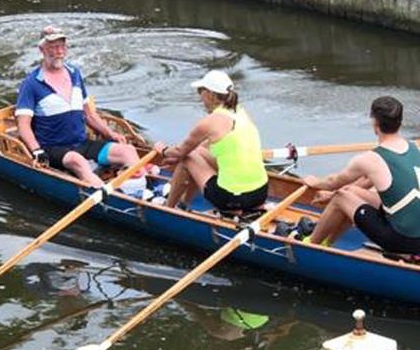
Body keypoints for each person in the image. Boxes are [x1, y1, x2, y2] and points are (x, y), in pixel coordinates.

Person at [301, 96, 420, 256]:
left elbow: (334, 182)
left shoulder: (371, 159)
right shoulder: (416, 147)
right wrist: (331, 195)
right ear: (400, 122)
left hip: (404, 240)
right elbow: (366, 180)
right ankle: (327, 242)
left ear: (375, 123)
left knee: (341, 196)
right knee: (349, 191)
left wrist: (315, 182)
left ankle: (309, 246)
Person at [14, 25, 141, 188]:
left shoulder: (74, 74)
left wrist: (110, 133)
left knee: (128, 151)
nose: (59, 51)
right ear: (42, 49)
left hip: (82, 143)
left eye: (62, 46)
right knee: (77, 160)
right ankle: (110, 198)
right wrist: (37, 150)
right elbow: (23, 125)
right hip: (53, 149)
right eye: (53, 47)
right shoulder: (31, 84)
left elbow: (89, 115)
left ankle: (141, 191)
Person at [153, 70, 269, 213]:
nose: (200, 97)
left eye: (200, 91)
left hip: (231, 199)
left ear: (210, 94)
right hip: (261, 193)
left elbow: (179, 152)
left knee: (187, 157)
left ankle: (168, 208)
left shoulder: (209, 122)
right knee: (197, 152)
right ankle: (183, 204)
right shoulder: (241, 112)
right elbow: (206, 145)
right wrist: (178, 156)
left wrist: (164, 151)